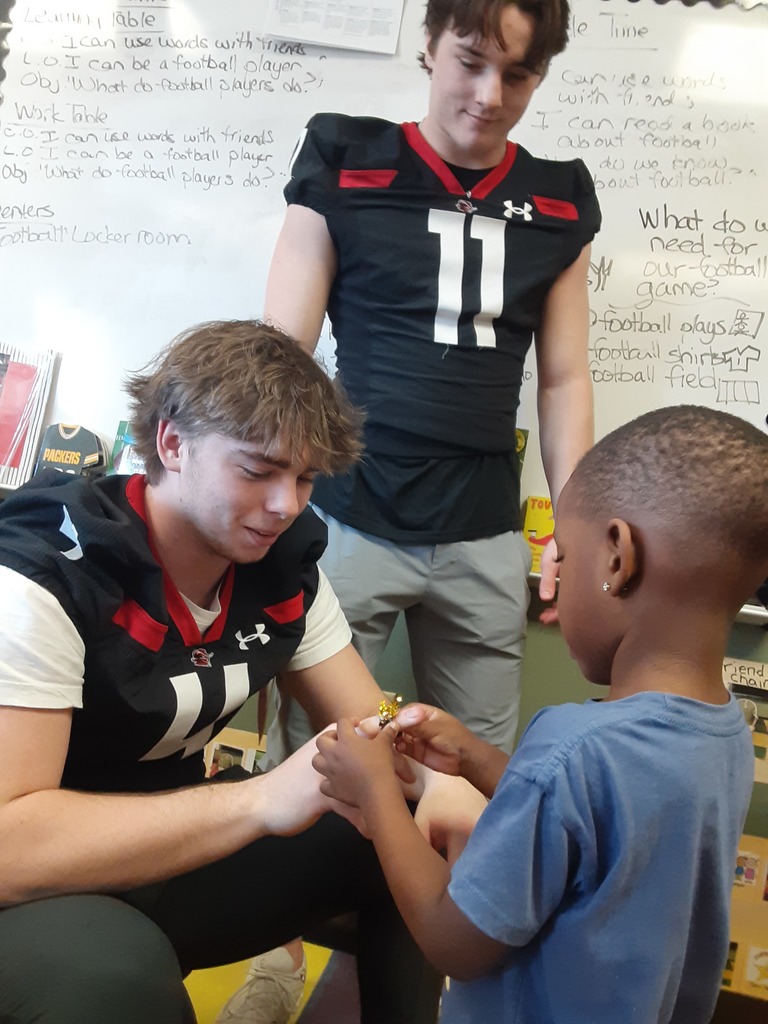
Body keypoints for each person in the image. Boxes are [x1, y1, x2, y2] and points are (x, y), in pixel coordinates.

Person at [0, 320, 445, 1024]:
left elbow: (367, 724)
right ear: (173, 444)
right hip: (34, 886)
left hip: (170, 853)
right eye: (259, 470)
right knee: (117, 972)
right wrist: (260, 800)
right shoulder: (40, 578)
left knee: (408, 827)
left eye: (303, 478)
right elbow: (11, 848)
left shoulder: (277, 561)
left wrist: (418, 754)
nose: (287, 505)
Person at [314, 404, 767, 1024]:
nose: (556, 579)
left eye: (564, 556)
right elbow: (604, 832)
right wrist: (480, 760)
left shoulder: (572, 748)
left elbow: (455, 941)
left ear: (617, 557)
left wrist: (376, 796)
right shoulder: (726, 732)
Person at [263, 0, 601, 765]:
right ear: (429, 45)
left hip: (484, 523)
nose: (488, 95)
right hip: (353, 510)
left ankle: (444, 891)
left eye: (518, 74)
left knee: (478, 766)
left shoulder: (559, 199)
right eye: (471, 62)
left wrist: (575, 523)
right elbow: (283, 355)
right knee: (318, 757)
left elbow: (564, 379)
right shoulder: (343, 156)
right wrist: (269, 492)